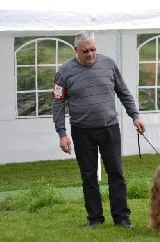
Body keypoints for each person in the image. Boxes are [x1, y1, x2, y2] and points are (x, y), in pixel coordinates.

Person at [52, 31, 145, 229]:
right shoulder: (64, 72)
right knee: (88, 176)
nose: (90, 54)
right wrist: (62, 134)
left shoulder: (109, 64)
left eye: (93, 49)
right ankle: (95, 218)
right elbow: (58, 104)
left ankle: (122, 218)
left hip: (109, 128)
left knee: (116, 173)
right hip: (81, 131)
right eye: (85, 51)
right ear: (76, 50)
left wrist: (135, 116)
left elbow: (123, 92)